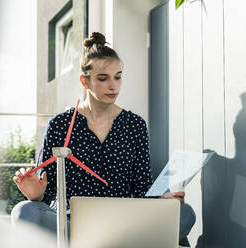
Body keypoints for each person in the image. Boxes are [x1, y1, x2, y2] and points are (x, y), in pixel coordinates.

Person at [11, 32, 195, 246]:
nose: (113, 86)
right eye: (103, 78)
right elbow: (47, 193)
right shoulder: (60, 125)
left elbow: (143, 188)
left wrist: (163, 202)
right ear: (85, 81)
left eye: (118, 77)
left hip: (125, 224)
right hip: (72, 225)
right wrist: (36, 194)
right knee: (24, 211)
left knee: (186, 213)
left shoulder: (135, 125)